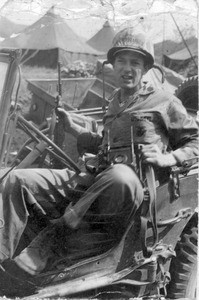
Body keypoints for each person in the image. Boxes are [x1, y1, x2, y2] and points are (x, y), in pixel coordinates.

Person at [0, 27, 198, 282]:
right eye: (121, 61)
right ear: (112, 65)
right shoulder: (115, 102)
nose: (127, 69)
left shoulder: (164, 101)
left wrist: (167, 158)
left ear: (145, 67)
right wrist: (74, 130)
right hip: (97, 179)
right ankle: (4, 265)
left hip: (134, 191)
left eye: (134, 63)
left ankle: (48, 243)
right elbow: (104, 146)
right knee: (17, 180)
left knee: (121, 176)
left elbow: (195, 141)